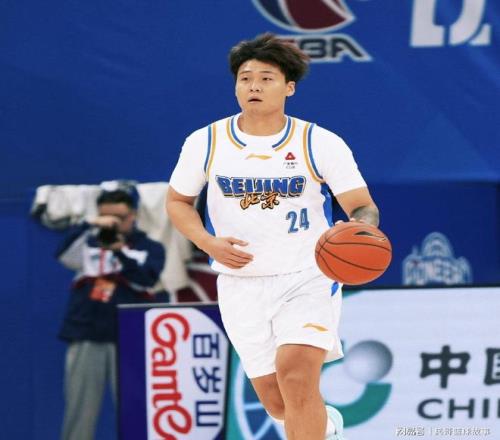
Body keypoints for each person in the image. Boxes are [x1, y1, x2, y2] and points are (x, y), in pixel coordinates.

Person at [166, 33, 379, 440]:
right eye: (246, 79)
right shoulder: (205, 142)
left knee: (297, 379)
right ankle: (326, 427)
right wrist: (207, 243)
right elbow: (177, 202)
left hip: (307, 276)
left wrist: (360, 228)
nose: (254, 86)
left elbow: (362, 206)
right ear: (235, 87)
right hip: (240, 283)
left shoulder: (319, 142)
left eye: (266, 79)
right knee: (277, 402)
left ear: (289, 88)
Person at [57, 189, 165, 440]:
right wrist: (89, 224)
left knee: (136, 410)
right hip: (87, 334)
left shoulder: (149, 247)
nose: (113, 223)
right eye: (107, 217)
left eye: (119, 217)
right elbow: (62, 254)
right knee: (79, 410)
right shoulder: (88, 244)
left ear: (133, 215)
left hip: (132, 340)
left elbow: (147, 278)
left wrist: (119, 251)